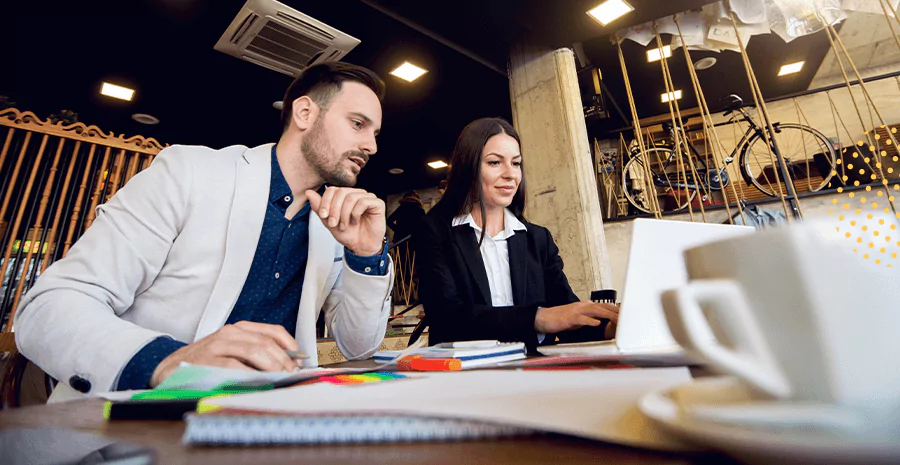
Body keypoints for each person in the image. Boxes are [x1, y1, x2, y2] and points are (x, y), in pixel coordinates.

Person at [14, 62, 394, 399]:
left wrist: (366, 256)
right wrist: (168, 362)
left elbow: (358, 346)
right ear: (305, 113)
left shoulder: (334, 226)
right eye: (358, 124)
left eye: (375, 133)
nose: (371, 145)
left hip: (270, 427)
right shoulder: (188, 173)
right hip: (131, 425)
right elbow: (49, 307)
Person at [415, 117, 618, 352]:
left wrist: (609, 327)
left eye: (516, 163)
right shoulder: (435, 232)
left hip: (530, 376)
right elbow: (447, 318)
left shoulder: (537, 239)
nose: (510, 174)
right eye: (494, 163)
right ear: (468, 167)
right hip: (466, 377)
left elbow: (566, 314)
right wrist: (538, 318)